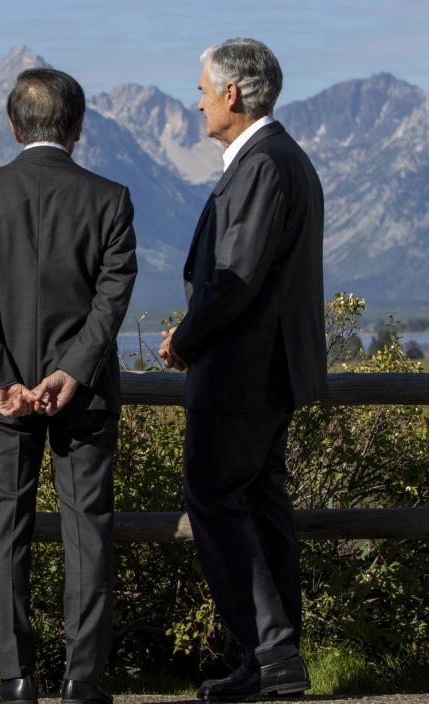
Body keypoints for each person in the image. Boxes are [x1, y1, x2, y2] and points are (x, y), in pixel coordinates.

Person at [0, 68, 137, 704]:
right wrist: (75, 369)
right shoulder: (110, 199)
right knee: (88, 528)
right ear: (78, 128)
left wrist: (3, 378)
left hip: (1, 395)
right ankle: (82, 679)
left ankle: (16, 677)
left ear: (12, 126)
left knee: (5, 528)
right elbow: (113, 297)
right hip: (83, 395)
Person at [160, 38, 327, 702]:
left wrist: (186, 340)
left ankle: (272, 651)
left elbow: (235, 279)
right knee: (260, 505)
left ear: (231, 93)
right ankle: (274, 662)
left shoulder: (262, 166)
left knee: (214, 499)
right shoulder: (281, 161)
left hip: (241, 375)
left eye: (202, 88)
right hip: (266, 373)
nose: (196, 100)